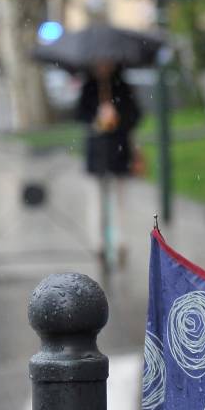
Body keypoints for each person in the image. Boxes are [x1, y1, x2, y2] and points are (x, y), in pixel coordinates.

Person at [75, 60, 141, 268]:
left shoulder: (122, 86)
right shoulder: (89, 87)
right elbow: (80, 115)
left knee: (119, 199)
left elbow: (135, 115)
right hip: (97, 153)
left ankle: (121, 242)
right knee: (96, 199)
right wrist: (97, 118)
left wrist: (117, 117)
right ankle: (98, 244)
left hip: (118, 151)